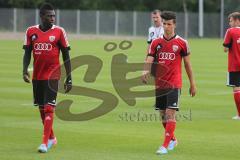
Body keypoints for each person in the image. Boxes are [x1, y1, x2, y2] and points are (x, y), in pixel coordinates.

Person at [141, 11, 196, 155]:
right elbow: (149, 57)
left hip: (174, 83)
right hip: (160, 83)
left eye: (169, 24)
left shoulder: (182, 43)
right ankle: (172, 139)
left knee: (170, 113)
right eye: (164, 24)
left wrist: (192, 83)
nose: (166, 27)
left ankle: (164, 146)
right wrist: (145, 70)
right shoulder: (156, 42)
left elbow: (187, 65)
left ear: (174, 25)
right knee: (162, 115)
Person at [22, 3, 72, 153]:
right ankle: (52, 138)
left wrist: (69, 77)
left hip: (53, 75)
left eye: (54, 16)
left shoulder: (59, 32)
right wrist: (24, 70)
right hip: (37, 76)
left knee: (49, 108)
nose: (52, 18)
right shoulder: (31, 31)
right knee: (42, 109)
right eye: (49, 16)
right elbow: (27, 53)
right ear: (42, 16)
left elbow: (66, 55)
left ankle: (44, 143)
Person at [223, 12, 240, 120]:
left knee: (237, 90)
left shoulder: (230, 31)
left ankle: (239, 114)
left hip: (235, 65)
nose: (229, 23)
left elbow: (225, 48)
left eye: (230, 21)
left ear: (237, 20)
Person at [147, 9, 164, 76]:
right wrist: (146, 60)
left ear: (161, 17)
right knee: (155, 77)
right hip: (154, 57)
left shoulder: (165, 27)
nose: (155, 19)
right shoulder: (151, 29)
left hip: (164, 56)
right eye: (154, 17)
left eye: (157, 17)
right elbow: (149, 44)